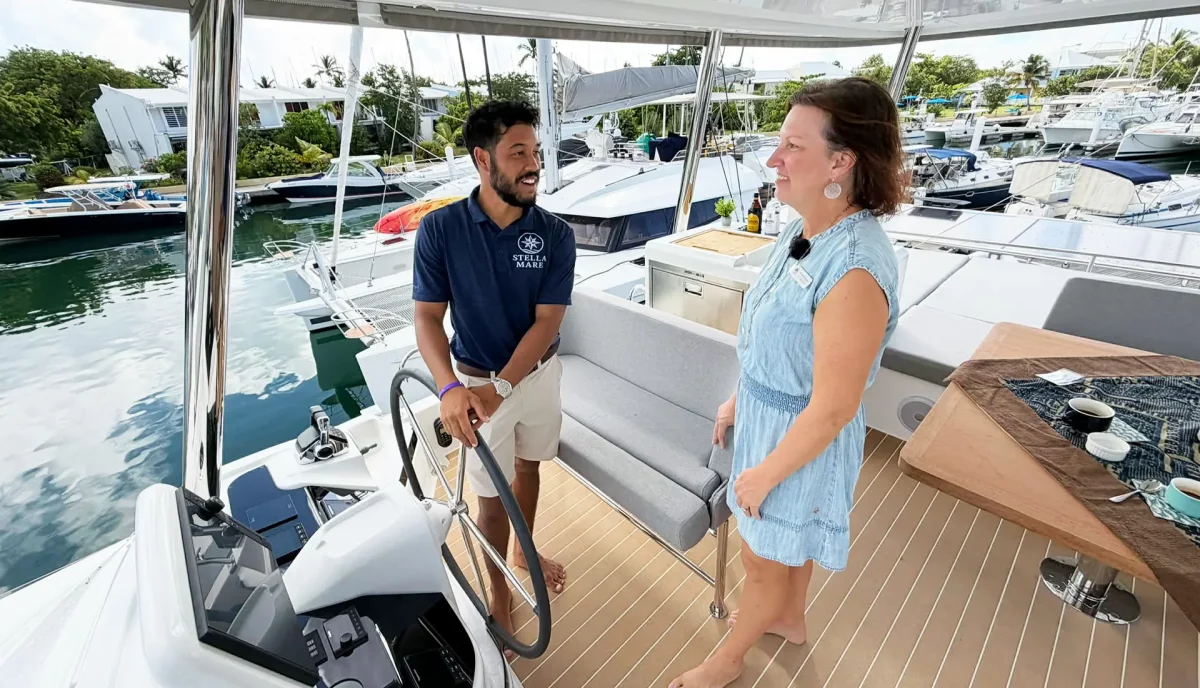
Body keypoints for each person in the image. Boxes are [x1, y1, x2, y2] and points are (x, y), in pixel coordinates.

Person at [670, 77, 905, 688]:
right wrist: (737, 399)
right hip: (770, 418)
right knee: (782, 544)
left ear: (841, 161)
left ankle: (728, 659)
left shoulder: (854, 266)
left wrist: (765, 471)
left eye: (791, 147)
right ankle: (790, 620)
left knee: (762, 553)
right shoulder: (799, 232)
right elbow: (773, 345)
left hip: (802, 437)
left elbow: (832, 409)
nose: (773, 159)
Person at [411, 100, 575, 643]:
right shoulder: (440, 230)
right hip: (476, 380)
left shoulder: (555, 234)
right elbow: (428, 318)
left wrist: (505, 386)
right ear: (484, 160)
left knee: (528, 469)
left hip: (535, 377)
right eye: (518, 153)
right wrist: (451, 387)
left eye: (536, 152)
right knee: (490, 495)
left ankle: (523, 555)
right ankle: (500, 593)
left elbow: (549, 321)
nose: (534, 165)